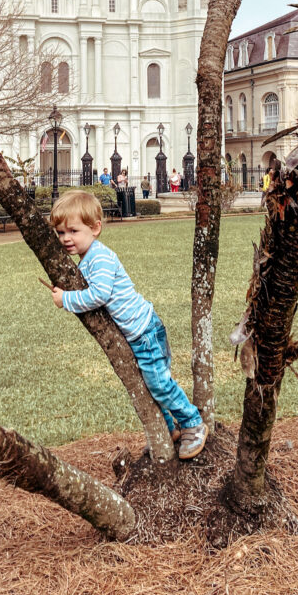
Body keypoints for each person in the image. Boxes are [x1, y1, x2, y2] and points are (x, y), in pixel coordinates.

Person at [48, 191, 208, 460]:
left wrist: (66, 299)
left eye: (73, 230)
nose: (66, 238)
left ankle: (193, 423)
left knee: (158, 383)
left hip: (145, 331)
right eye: (61, 232)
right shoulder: (88, 259)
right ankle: (169, 430)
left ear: (95, 228)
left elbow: (98, 295)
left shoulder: (99, 257)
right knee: (151, 385)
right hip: (137, 334)